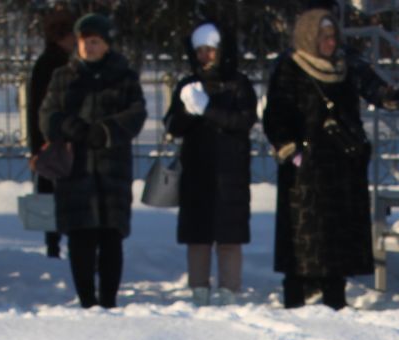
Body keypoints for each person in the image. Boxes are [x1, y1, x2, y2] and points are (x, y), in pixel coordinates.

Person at [263, 7, 399, 310]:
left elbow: (378, 90)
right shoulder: (290, 67)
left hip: (342, 166)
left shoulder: (347, 63)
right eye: (323, 37)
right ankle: (295, 302)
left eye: (333, 36)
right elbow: (276, 113)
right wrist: (293, 153)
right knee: (302, 243)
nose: (330, 43)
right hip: (305, 172)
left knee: (336, 243)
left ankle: (335, 300)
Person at [38, 12, 146, 310]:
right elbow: (47, 115)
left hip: (112, 167)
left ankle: (109, 299)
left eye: (95, 42)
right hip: (78, 169)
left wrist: (106, 131)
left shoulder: (124, 76)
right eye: (85, 42)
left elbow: (136, 114)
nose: (89, 48)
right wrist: (69, 126)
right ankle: (87, 299)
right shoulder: (64, 76)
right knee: (81, 237)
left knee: (111, 237)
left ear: (107, 44)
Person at [165, 22, 257, 305]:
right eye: (200, 51)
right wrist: (189, 111)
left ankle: (229, 288)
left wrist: (208, 109)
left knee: (229, 236)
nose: (205, 56)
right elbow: (172, 125)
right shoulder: (188, 83)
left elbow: (242, 121)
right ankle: (199, 288)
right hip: (197, 170)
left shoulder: (238, 84)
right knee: (199, 236)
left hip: (231, 170)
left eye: (211, 50)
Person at [24, 2, 78, 260]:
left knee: (55, 191)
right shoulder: (55, 65)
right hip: (55, 140)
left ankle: (55, 242)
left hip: (51, 140)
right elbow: (39, 108)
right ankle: (55, 244)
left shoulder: (54, 62)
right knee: (59, 193)